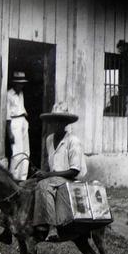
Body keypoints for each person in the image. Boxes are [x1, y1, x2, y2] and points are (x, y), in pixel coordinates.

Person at [0, 71, 30, 244]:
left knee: (26, 153)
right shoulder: (9, 94)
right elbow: (6, 117)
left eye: (23, 83)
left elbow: (22, 111)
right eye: (19, 83)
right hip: (14, 123)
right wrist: (9, 133)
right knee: (17, 152)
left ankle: (23, 180)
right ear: (14, 83)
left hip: (23, 122)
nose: (21, 85)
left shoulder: (21, 94)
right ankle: (14, 180)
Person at [32, 102, 87, 242]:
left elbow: (74, 171)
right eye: (54, 120)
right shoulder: (49, 139)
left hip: (70, 180)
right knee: (25, 185)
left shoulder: (73, 141)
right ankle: (7, 228)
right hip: (55, 179)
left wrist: (48, 176)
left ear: (65, 123)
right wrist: (41, 173)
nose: (56, 124)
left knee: (43, 186)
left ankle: (52, 227)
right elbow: (51, 166)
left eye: (60, 121)